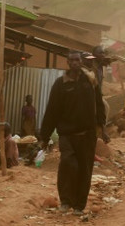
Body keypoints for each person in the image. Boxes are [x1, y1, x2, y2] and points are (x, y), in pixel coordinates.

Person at [39, 51, 107, 216]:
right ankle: (65, 201)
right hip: (67, 135)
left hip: (87, 134)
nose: (75, 63)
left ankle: (79, 205)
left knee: (85, 169)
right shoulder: (60, 84)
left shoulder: (90, 81)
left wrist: (102, 128)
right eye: (72, 60)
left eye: (78, 60)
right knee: (68, 165)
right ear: (67, 63)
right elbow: (52, 111)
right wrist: (44, 136)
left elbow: (99, 104)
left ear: (81, 62)